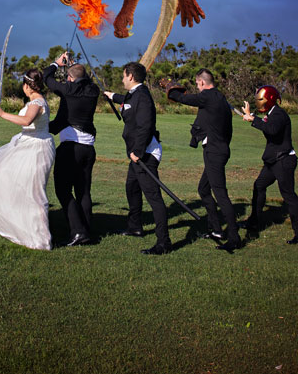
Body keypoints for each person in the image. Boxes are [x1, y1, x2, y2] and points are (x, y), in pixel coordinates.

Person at [165, 68, 241, 251]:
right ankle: (216, 230)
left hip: (215, 151)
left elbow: (183, 99)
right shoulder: (220, 98)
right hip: (219, 149)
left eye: (197, 84)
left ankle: (234, 238)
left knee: (221, 195)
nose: (197, 87)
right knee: (204, 190)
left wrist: (170, 88)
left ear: (201, 82)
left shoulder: (207, 96)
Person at [0, 69, 57, 250]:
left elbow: (26, 121)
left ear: (27, 86)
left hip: (36, 148)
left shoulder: (37, 102)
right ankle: (7, 218)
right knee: (0, 175)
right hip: (26, 143)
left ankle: (38, 237)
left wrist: (1, 113)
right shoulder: (34, 100)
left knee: (33, 191)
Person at [105, 61, 171, 255]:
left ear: (131, 76)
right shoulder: (134, 94)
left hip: (145, 155)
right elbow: (126, 102)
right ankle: (135, 227)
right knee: (132, 188)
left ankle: (163, 243)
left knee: (154, 198)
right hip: (137, 154)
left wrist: (138, 152)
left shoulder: (142, 96)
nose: (122, 78)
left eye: (124, 75)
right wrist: (111, 96)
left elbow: (146, 125)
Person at [43, 51, 100, 246]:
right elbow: (83, 80)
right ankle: (86, 229)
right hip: (88, 149)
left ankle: (77, 232)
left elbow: (46, 78)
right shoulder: (93, 91)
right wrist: (73, 68)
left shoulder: (68, 89)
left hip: (70, 149)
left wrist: (57, 63)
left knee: (63, 189)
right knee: (83, 191)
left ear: (69, 78)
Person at [239, 85, 298, 244]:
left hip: (283, 161)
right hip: (273, 161)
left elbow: (272, 129)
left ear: (269, 99)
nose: (258, 102)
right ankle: (254, 221)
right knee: (259, 185)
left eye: (260, 99)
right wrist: (251, 116)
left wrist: (253, 119)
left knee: (288, 196)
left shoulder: (279, 114)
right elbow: (267, 125)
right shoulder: (271, 113)